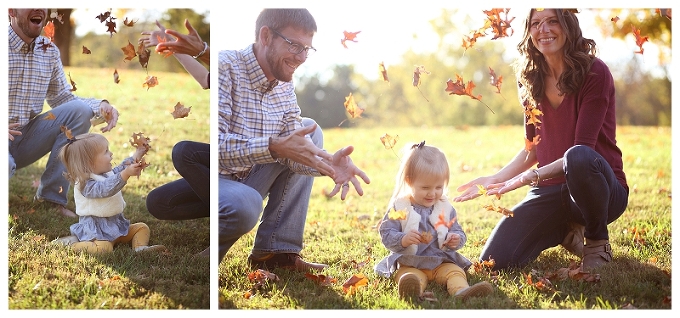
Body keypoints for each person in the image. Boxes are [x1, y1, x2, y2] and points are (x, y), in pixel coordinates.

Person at [453, 9, 628, 271]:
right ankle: (564, 230)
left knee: (578, 157)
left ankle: (596, 241)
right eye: (536, 23)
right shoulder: (530, 79)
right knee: (494, 261)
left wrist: (528, 178)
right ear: (529, 32)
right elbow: (533, 147)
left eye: (552, 21)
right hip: (550, 189)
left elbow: (582, 152)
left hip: (599, 189)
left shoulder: (594, 72)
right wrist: (496, 178)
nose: (543, 29)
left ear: (567, 26)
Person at [218, 8, 371, 272]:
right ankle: (212, 249)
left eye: (307, 49)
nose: (301, 58)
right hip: (217, 179)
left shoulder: (284, 82)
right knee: (245, 205)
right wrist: (274, 147)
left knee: (309, 130)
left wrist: (328, 165)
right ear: (266, 36)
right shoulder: (226, 67)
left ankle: (275, 252)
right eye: (294, 46)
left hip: (252, 177)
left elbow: (295, 152)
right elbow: (216, 147)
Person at [8, 8, 120, 218]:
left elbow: (63, 98)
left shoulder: (48, 51)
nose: (39, 7)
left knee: (79, 112)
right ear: (11, 9)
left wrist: (101, 105)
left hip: (24, 138)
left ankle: (51, 198)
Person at [374, 141, 493, 301]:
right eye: (425, 188)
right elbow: (386, 233)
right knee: (408, 276)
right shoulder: (401, 207)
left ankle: (461, 292)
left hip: (440, 262)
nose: (432, 193)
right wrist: (403, 239)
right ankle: (413, 291)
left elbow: (457, 230)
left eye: (438, 187)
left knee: (455, 272)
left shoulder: (445, 208)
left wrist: (455, 239)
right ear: (409, 182)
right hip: (411, 263)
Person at [139, 19, 211, 256]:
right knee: (158, 202)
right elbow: (206, 79)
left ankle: (225, 229)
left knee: (183, 152)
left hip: (243, 162)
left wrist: (199, 49)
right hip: (222, 164)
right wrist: (172, 46)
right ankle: (227, 209)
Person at [51, 133, 166, 254]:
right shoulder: (85, 184)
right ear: (90, 163)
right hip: (97, 230)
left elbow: (121, 168)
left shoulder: (105, 173)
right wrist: (126, 174)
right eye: (106, 151)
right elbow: (104, 189)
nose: (111, 154)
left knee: (142, 227)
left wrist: (137, 154)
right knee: (104, 249)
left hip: (116, 225)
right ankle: (71, 245)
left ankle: (139, 249)